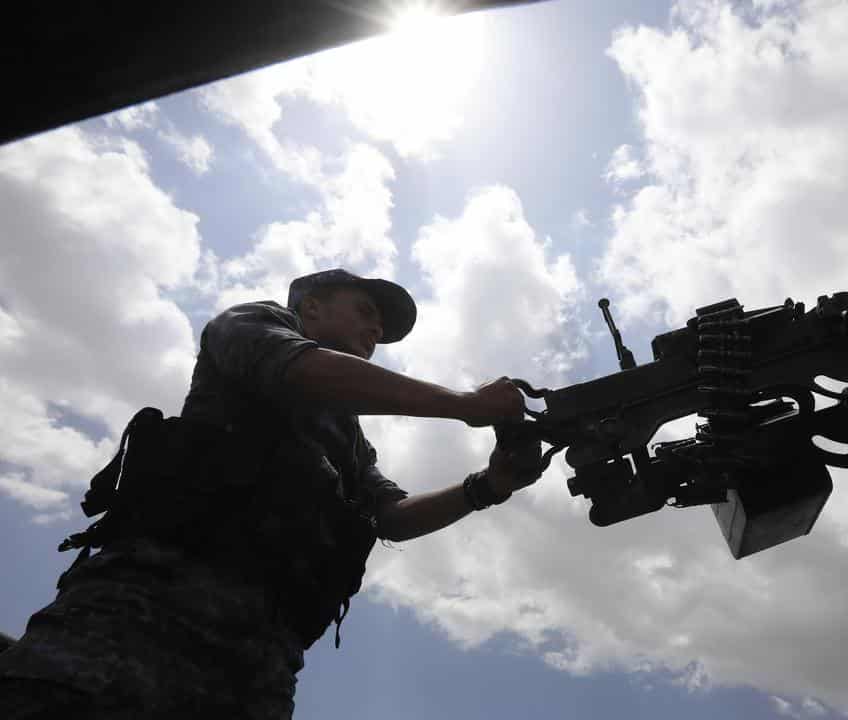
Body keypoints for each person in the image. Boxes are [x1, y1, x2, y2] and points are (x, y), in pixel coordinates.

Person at [0, 269, 544, 718]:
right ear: (310, 306)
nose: (376, 328)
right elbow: (299, 371)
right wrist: (465, 405)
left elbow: (393, 517)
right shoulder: (250, 324)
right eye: (364, 310)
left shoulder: (350, 439)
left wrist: (490, 485)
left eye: (381, 325)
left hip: (261, 659)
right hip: (143, 609)